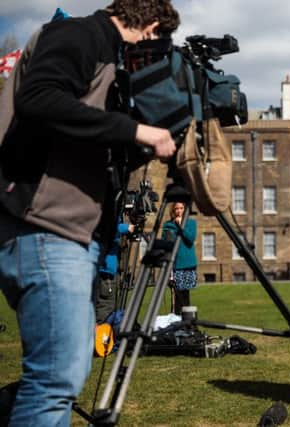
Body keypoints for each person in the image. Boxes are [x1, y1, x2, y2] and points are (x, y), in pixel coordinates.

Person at [0, 1, 179, 425]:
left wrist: (136, 142)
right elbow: (39, 97)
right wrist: (137, 129)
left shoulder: (109, 63)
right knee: (55, 379)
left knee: (61, 373)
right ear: (151, 27)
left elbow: (92, 141)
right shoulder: (81, 35)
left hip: (68, 234)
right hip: (42, 225)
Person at [95, 221, 135, 323]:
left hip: (106, 268)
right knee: (106, 309)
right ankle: (103, 335)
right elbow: (105, 226)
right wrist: (126, 227)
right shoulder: (106, 209)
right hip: (105, 269)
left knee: (107, 306)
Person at [162, 202, 198, 315]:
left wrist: (181, 227)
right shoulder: (168, 225)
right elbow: (165, 245)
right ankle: (177, 321)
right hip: (174, 264)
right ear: (173, 210)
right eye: (176, 208)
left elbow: (190, 239)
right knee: (176, 296)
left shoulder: (191, 223)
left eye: (181, 208)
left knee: (185, 296)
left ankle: (187, 322)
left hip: (187, 264)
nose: (179, 211)